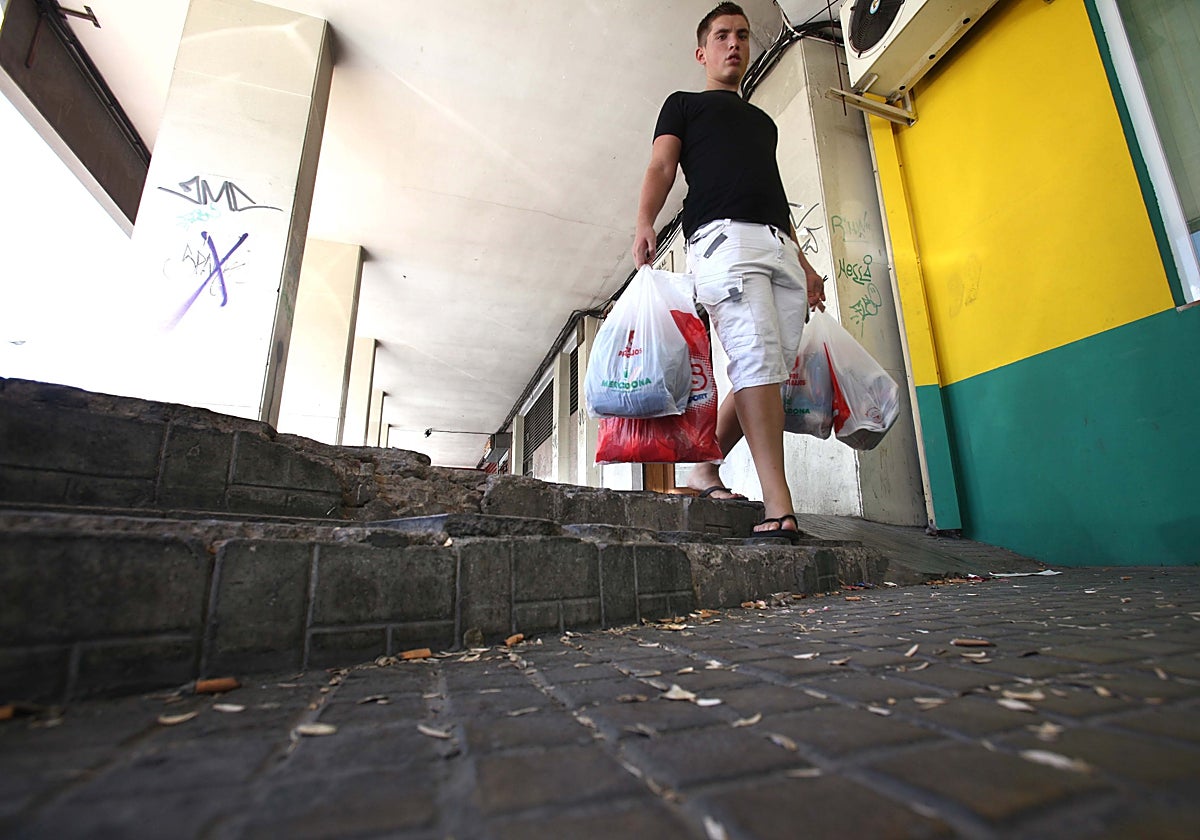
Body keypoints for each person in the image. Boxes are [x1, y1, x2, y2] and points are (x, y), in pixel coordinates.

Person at [632, 1, 826, 540]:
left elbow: (776, 195)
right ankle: (778, 505)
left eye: (742, 35)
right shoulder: (685, 105)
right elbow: (661, 165)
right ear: (702, 51)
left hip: (776, 246)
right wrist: (644, 221)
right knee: (756, 361)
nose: (734, 43)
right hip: (723, 240)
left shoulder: (762, 122)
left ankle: (701, 466)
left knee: (767, 369)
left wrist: (805, 263)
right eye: (722, 36)